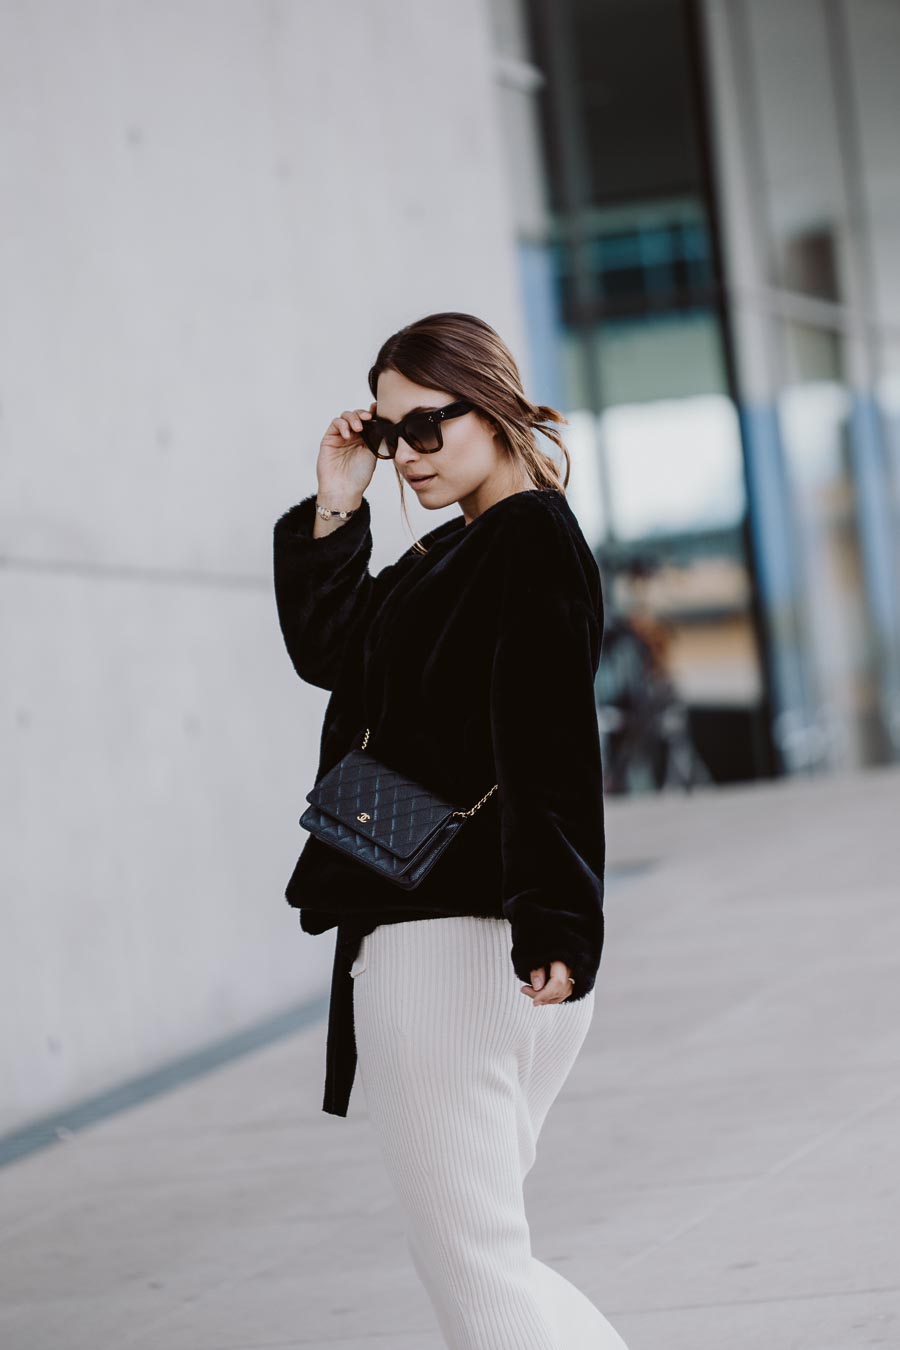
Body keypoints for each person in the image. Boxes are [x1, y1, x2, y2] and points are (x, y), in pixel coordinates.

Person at [272, 311, 630, 1349]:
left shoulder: (526, 540)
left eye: (428, 426)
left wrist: (556, 922)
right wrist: (338, 508)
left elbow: (549, 739)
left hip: (456, 949)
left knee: (476, 1280)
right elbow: (335, 649)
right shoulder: (458, 550)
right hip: (479, 941)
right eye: (390, 436)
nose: (407, 456)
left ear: (497, 407)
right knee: (487, 1261)